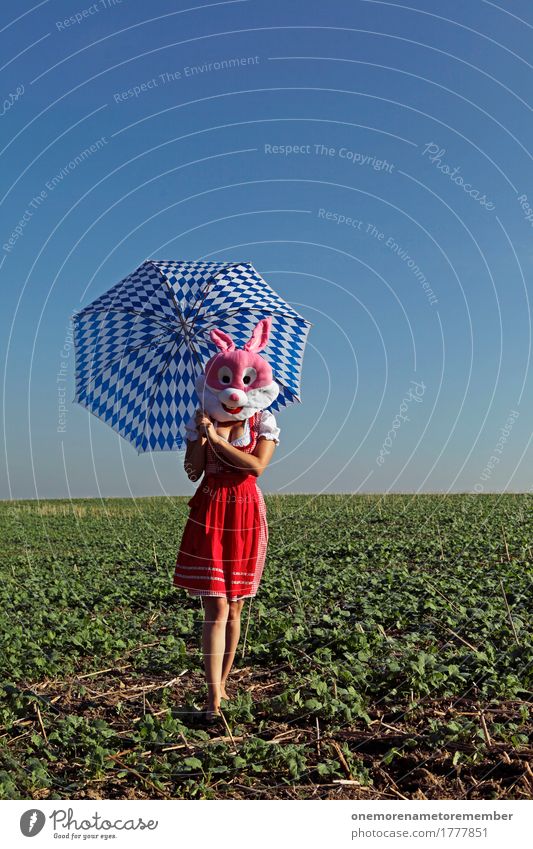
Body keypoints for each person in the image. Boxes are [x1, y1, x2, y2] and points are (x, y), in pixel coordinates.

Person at [174, 401, 280, 722]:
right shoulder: (203, 420)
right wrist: (202, 437)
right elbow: (193, 473)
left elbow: (256, 467)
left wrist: (218, 441)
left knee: (235, 606)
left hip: (245, 512)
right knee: (217, 607)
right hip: (210, 511)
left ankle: (221, 683)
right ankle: (212, 697)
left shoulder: (263, 420)